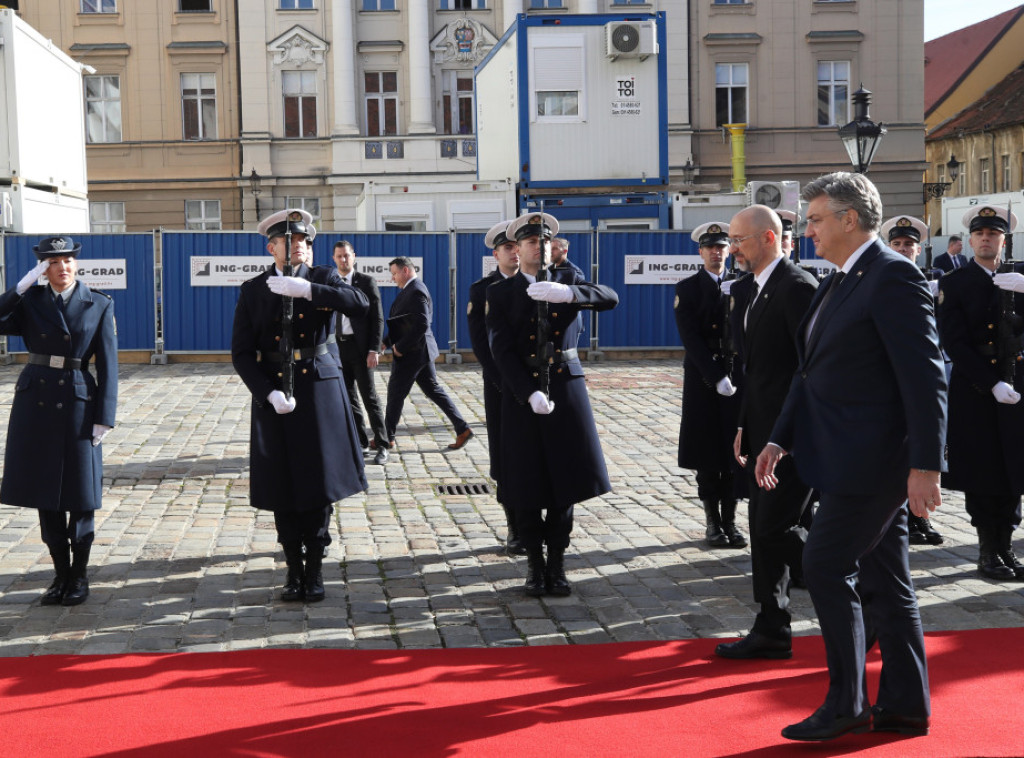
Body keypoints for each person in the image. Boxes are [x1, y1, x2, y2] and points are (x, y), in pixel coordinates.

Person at [755, 172, 947, 741]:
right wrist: (777, 437)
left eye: (814, 219)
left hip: (876, 462)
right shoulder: (840, 278)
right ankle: (907, 703)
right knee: (889, 580)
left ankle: (847, 703)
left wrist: (927, 465)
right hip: (843, 454)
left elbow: (925, 378)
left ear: (848, 219)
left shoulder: (892, 276)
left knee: (824, 564)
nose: (806, 228)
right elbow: (809, 371)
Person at [232, 209, 369, 602]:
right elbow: (241, 353)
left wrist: (309, 291)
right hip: (277, 392)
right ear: (271, 247)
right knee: (283, 481)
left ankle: (315, 568)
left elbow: (359, 304)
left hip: (319, 389)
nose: (298, 248)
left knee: (319, 481)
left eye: (305, 242)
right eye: (290, 242)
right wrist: (266, 393)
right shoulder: (254, 289)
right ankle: (293, 567)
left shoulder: (324, 278)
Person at [486, 211, 618, 596]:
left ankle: (557, 563)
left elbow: (610, 297)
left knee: (565, 479)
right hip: (523, 393)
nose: (539, 248)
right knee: (525, 480)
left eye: (544, 242)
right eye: (531, 242)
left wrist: (571, 294)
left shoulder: (568, 279)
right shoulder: (502, 291)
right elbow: (501, 350)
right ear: (517, 249)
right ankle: (534, 564)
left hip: (565, 388)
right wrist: (527, 392)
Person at [715, 206, 818, 661]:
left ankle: (856, 576)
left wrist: (782, 435)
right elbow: (752, 369)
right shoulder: (748, 289)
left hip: (792, 435)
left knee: (776, 526)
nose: (732, 248)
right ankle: (772, 625)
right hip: (762, 429)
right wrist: (744, 424)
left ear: (769, 239)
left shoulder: (796, 288)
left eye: (739, 239)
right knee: (765, 527)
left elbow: (807, 370)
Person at [0, 236, 117, 607]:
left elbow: (110, 364)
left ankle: (79, 576)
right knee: (45, 492)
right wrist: (17, 289)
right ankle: (59, 576)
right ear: (42, 268)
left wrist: (105, 417)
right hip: (36, 400)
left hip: (80, 399)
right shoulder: (31, 301)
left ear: (76, 265)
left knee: (81, 494)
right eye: (53, 262)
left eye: (67, 260)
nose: (62, 268)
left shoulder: (98, 303)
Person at [936, 206, 1024, 581]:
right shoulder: (955, 284)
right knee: (984, 471)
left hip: (1018, 385)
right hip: (977, 390)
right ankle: (988, 550)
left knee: (1014, 469)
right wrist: (990, 383)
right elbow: (954, 342)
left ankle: (1006, 546)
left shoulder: (1019, 278)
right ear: (970, 240)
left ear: (1005, 240)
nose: (987, 238)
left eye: (994, 233)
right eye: (980, 234)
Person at [674, 221, 746, 549]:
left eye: (721, 247)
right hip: (704, 378)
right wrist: (715, 375)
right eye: (710, 248)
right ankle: (712, 522)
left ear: (730, 250)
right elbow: (690, 337)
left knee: (734, 450)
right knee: (707, 452)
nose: (717, 253)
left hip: (737, 375)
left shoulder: (744, 284)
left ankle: (730, 520)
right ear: (700, 252)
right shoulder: (688, 288)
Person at [878, 214, 945, 547]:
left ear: (919, 249)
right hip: (894, 379)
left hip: (927, 373)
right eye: (898, 244)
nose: (904, 249)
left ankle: (922, 517)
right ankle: (903, 517)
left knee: (924, 448)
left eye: (909, 245)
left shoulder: (935, 281)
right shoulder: (885, 280)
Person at [468, 220, 524, 554]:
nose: (514, 253)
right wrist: (503, 379)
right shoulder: (482, 289)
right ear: (496, 253)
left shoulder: (540, 282)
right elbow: (480, 345)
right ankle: (515, 526)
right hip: (501, 384)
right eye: (508, 248)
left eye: (518, 247)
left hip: (535, 381)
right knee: (505, 456)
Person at [382, 256, 473, 451]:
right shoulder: (410, 290)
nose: (393, 278)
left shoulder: (416, 291)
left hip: (413, 353)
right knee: (434, 391)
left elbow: (422, 324)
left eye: (395, 273)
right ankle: (462, 428)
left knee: (395, 392)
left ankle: (386, 437)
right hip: (420, 352)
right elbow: (404, 323)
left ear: (405, 271)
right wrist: (386, 342)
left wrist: (399, 347)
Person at [332, 241, 389, 465]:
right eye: (339, 256)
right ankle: (361, 442)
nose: (343, 260)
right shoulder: (332, 282)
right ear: (334, 258)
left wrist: (374, 348)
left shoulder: (366, 282)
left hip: (361, 348)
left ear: (353, 256)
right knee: (348, 398)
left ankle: (383, 444)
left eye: (347, 256)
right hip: (338, 347)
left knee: (369, 397)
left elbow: (377, 318)